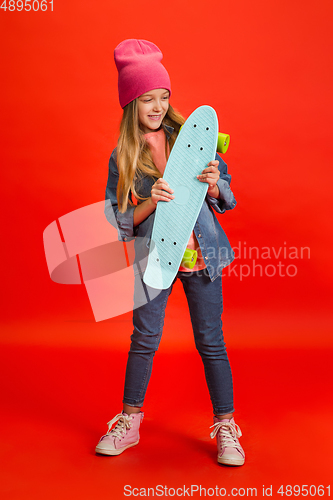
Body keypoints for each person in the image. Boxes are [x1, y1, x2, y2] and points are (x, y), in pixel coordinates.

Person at [95, 39, 245, 466]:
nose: (158, 106)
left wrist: (215, 182)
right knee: (144, 339)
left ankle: (227, 427)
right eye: (147, 99)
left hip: (201, 257)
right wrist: (151, 201)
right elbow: (118, 218)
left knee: (210, 341)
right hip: (155, 259)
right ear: (131, 104)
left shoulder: (196, 137)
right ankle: (130, 421)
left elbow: (227, 197)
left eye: (164, 97)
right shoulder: (123, 156)